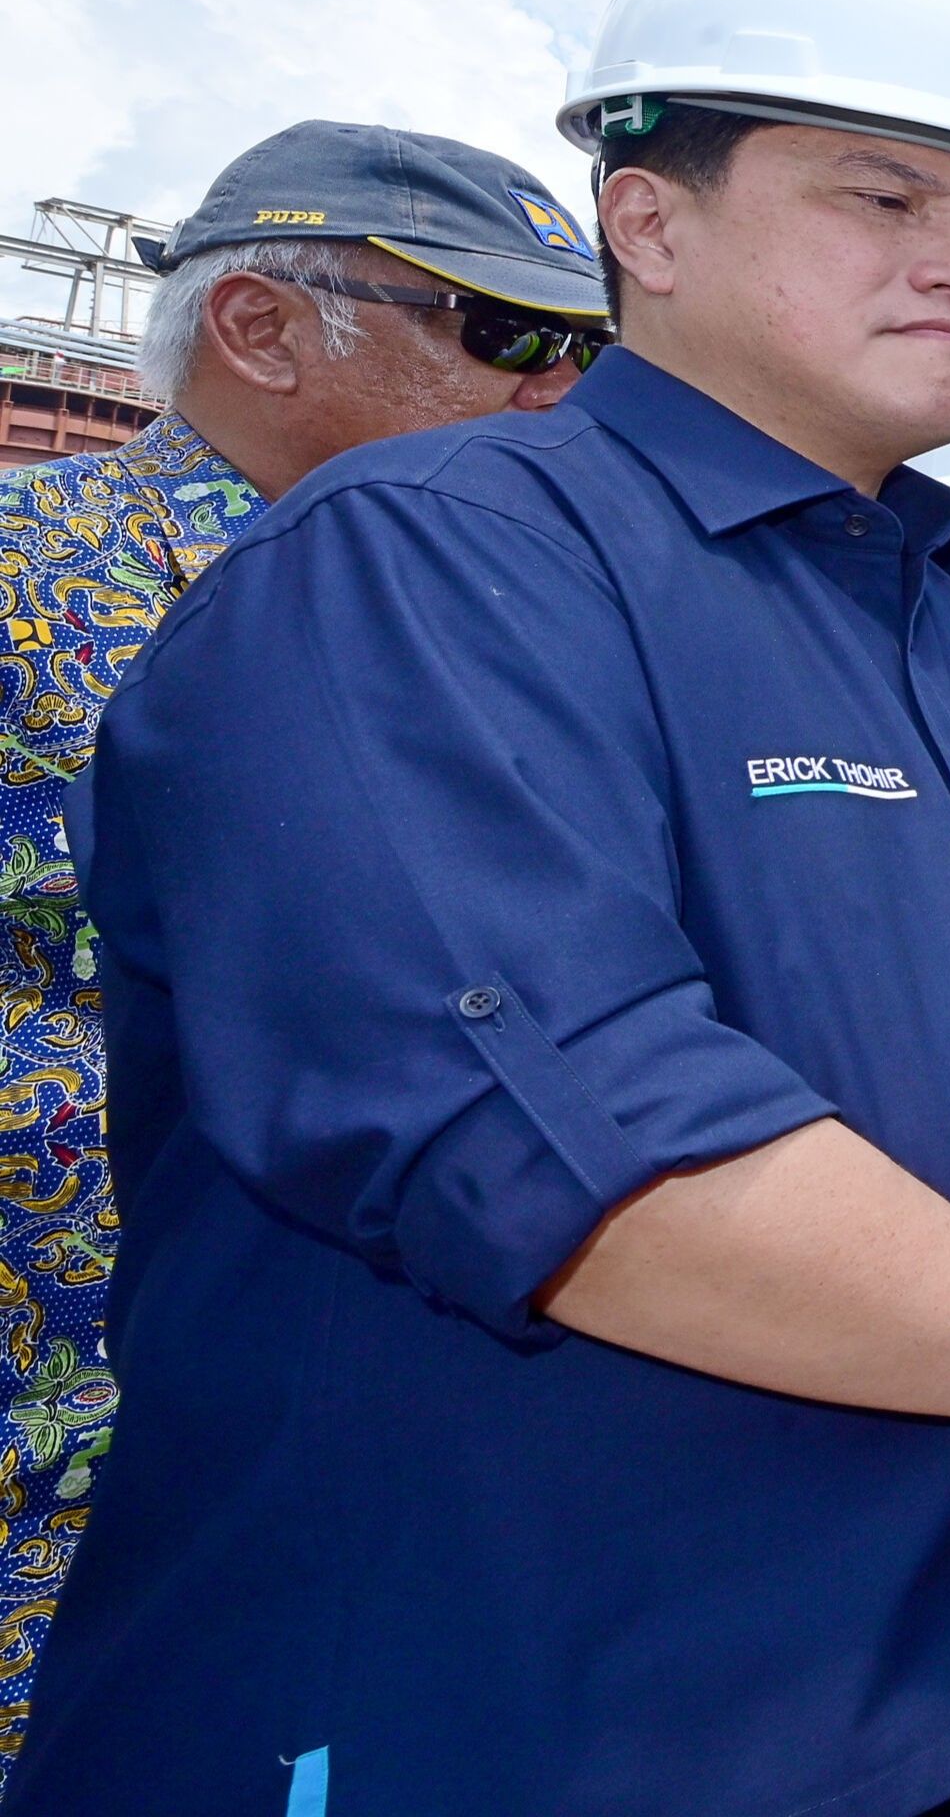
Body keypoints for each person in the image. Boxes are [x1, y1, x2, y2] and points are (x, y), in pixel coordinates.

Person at [21, 0, 950, 1817]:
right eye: (881, 199)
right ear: (650, 220)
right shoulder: (427, 561)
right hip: (570, 1705)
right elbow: (561, 1122)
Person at [0, 119, 605, 1789]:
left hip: (391, 1443)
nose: (561, 392)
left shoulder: (528, 612)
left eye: (590, 349)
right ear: (262, 329)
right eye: (510, 337)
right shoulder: (24, 578)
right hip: (67, 1436)